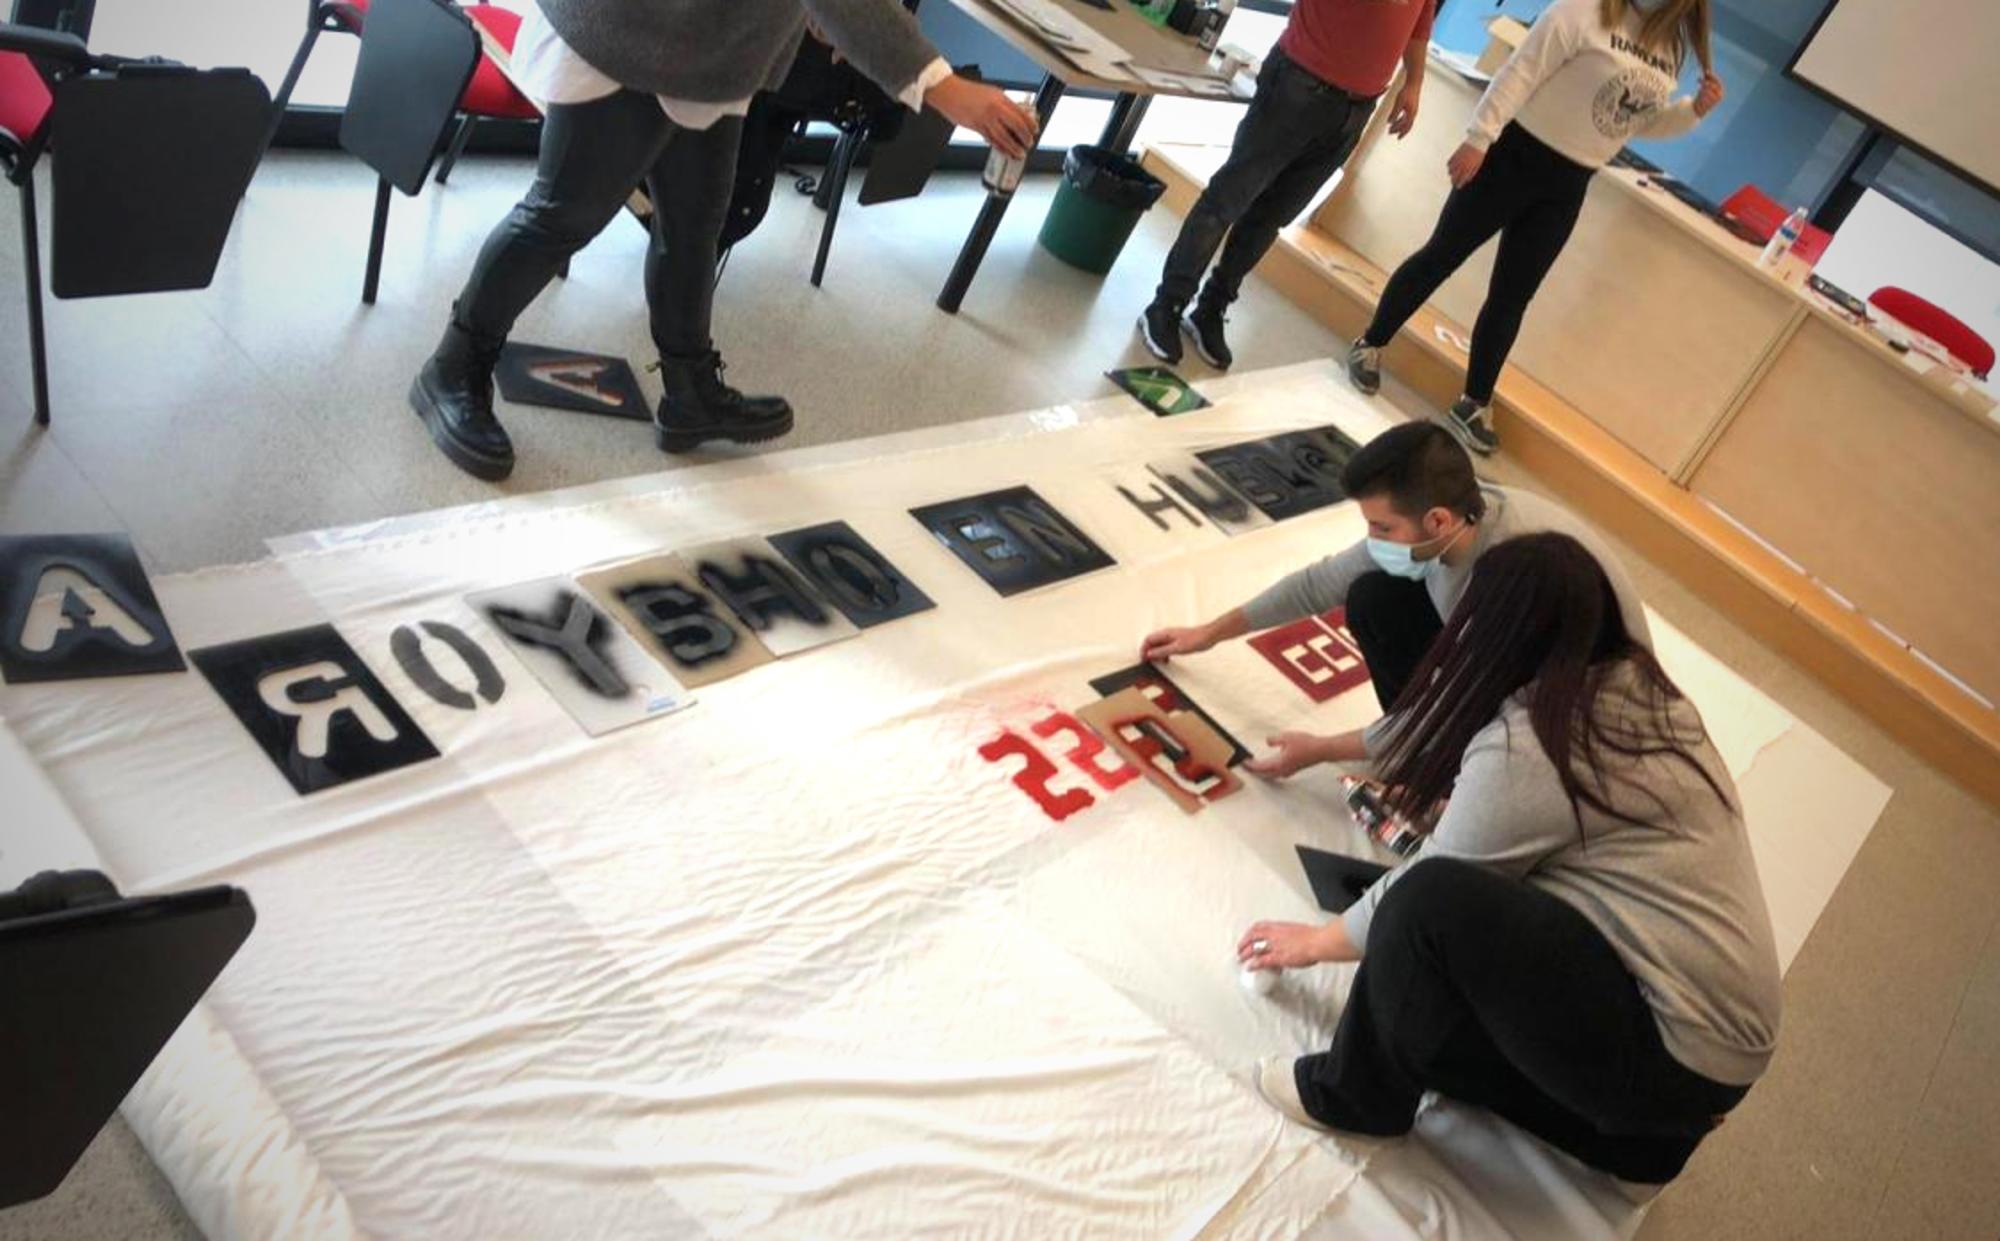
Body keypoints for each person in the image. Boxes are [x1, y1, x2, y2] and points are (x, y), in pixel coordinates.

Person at [1237, 532, 1781, 1190]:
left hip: (1669, 1047)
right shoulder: (1636, 687)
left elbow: (1431, 882)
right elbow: (1438, 737)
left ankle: (1354, 1098)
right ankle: (1644, 1142)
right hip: (1712, 1050)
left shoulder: (1536, 747)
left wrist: (1316, 942)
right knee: (1425, 1022)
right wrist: (1329, 748)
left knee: (1427, 903)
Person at [409, 0, 1038, 481]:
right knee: (562, 217)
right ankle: (452, 368)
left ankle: (689, 392)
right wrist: (945, 88)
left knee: (693, 226)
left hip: (713, 45)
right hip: (632, 32)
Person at [1140, 422, 1646, 776]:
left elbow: (1450, 710)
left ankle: (1439, 773)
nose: (1373, 538)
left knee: (1456, 745)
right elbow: (1321, 584)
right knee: (1371, 595)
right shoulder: (1459, 515)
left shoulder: (1508, 582)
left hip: (1576, 719)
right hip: (1521, 658)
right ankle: (1416, 756)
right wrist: (1208, 633)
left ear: (1438, 521)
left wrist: (1323, 751)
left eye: (1382, 527)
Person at [1344, 0, 1725, 456]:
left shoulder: (1668, 46)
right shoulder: (1581, 11)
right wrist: (1479, 137)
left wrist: (1691, 112)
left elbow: (1634, 122)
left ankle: (1474, 402)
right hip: (1513, 155)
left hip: (1571, 181)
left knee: (1512, 296)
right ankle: (1371, 342)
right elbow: (1521, 71)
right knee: (1441, 256)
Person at [1137, 0, 1437, 371]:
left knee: (1272, 217)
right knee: (1226, 201)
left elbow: (1419, 19)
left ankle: (1212, 307)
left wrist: (1415, 81)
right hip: (1300, 81)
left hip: (1356, 106)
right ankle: (1168, 303)